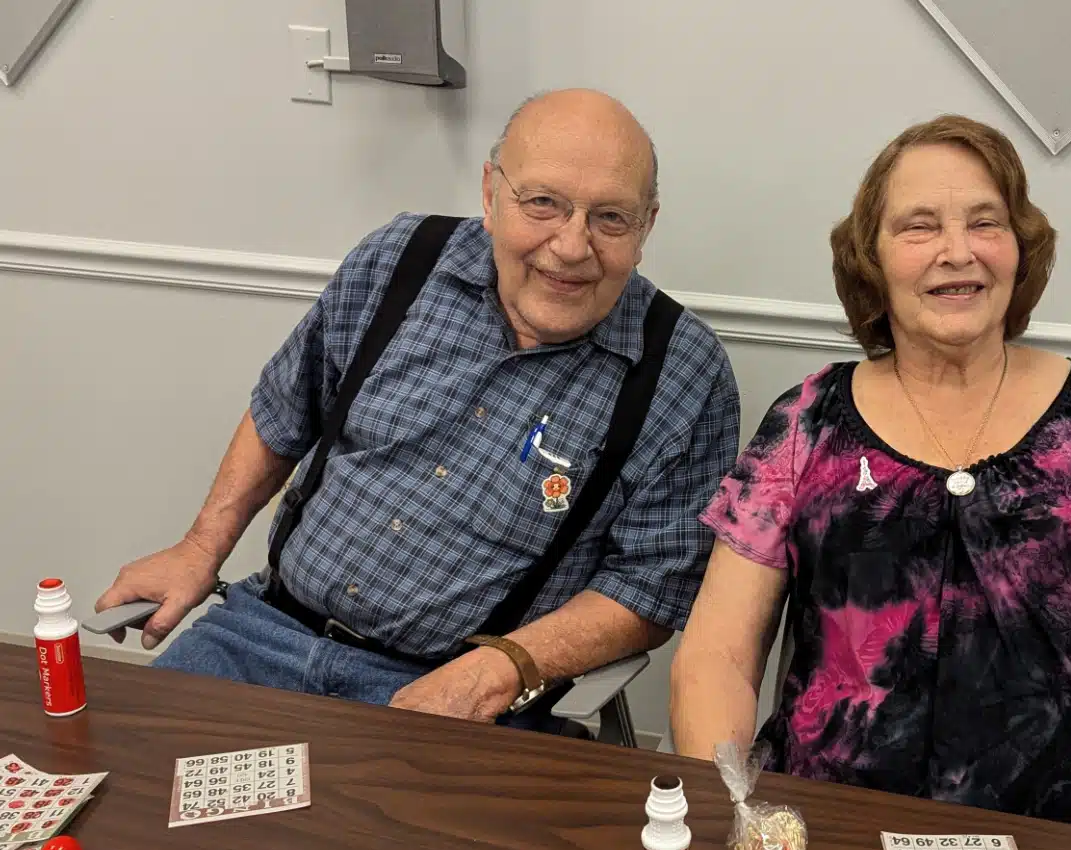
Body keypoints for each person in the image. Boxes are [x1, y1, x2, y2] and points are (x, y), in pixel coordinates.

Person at [670, 114, 1071, 850]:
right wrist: (736, 821)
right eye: (919, 227)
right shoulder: (808, 420)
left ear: (1020, 249)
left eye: (986, 222)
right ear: (871, 262)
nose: (958, 252)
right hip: (840, 843)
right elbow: (717, 654)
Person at [96, 89, 740, 732]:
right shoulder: (402, 258)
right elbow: (283, 410)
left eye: (610, 219)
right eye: (542, 203)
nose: (571, 246)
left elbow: (650, 590)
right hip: (261, 635)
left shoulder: (683, 373)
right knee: (124, 797)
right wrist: (200, 546)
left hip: (453, 694)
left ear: (646, 226)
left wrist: (503, 669)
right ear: (491, 195)